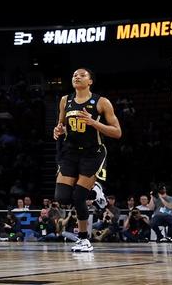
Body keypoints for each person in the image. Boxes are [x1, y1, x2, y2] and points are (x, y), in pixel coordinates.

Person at [52, 67, 121, 253]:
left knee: (79, 197)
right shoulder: (65, 101)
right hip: (70, 152)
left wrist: (94, 123)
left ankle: (84, 240)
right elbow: (61, 126)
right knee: (62, 197)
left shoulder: (101, 102)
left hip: (92, 153)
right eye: (74, 74)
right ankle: (95, 192)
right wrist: (58, 131)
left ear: (90, 81)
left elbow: (117, 132)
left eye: (82, 75)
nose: (77, 77)